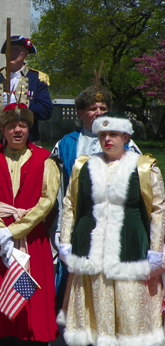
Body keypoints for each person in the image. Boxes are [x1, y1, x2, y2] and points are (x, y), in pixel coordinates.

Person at [58, 112, 165, 345]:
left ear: (126, 137)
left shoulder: (144, 167)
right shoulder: (83, 166)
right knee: (95, 308)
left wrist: (156, 249)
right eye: (103, 134)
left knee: (129, 311)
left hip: (131, 247)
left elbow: (158, 210)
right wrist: (65, 242)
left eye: (113, 134)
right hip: (89, 248)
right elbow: (70, 205)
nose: (107, 139)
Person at [0, 103, 60, 345]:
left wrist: (13, 231)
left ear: (29, 128)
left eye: (22, 125)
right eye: (11, 126)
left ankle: (31, 335)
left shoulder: (46, 159)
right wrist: (0, 231)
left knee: (29, 291)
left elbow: (47, 201)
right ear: (2, 129)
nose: (17, 130)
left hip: (32, 239)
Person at [53, 84, 141, 186]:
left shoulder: (125, 143)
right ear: (81, 113)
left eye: (103, 108)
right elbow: (56, 185)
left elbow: (141, 179)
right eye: (93, 109)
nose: (99, 113)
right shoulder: (66, 144)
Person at [0, 36, 52, 144]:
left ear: (26, 53)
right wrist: (0, 122)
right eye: (9, 50)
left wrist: (24, 104)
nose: (12, 53)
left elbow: (46, 111)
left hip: (28, 141)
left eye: (16, 50)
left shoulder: (37, 79)